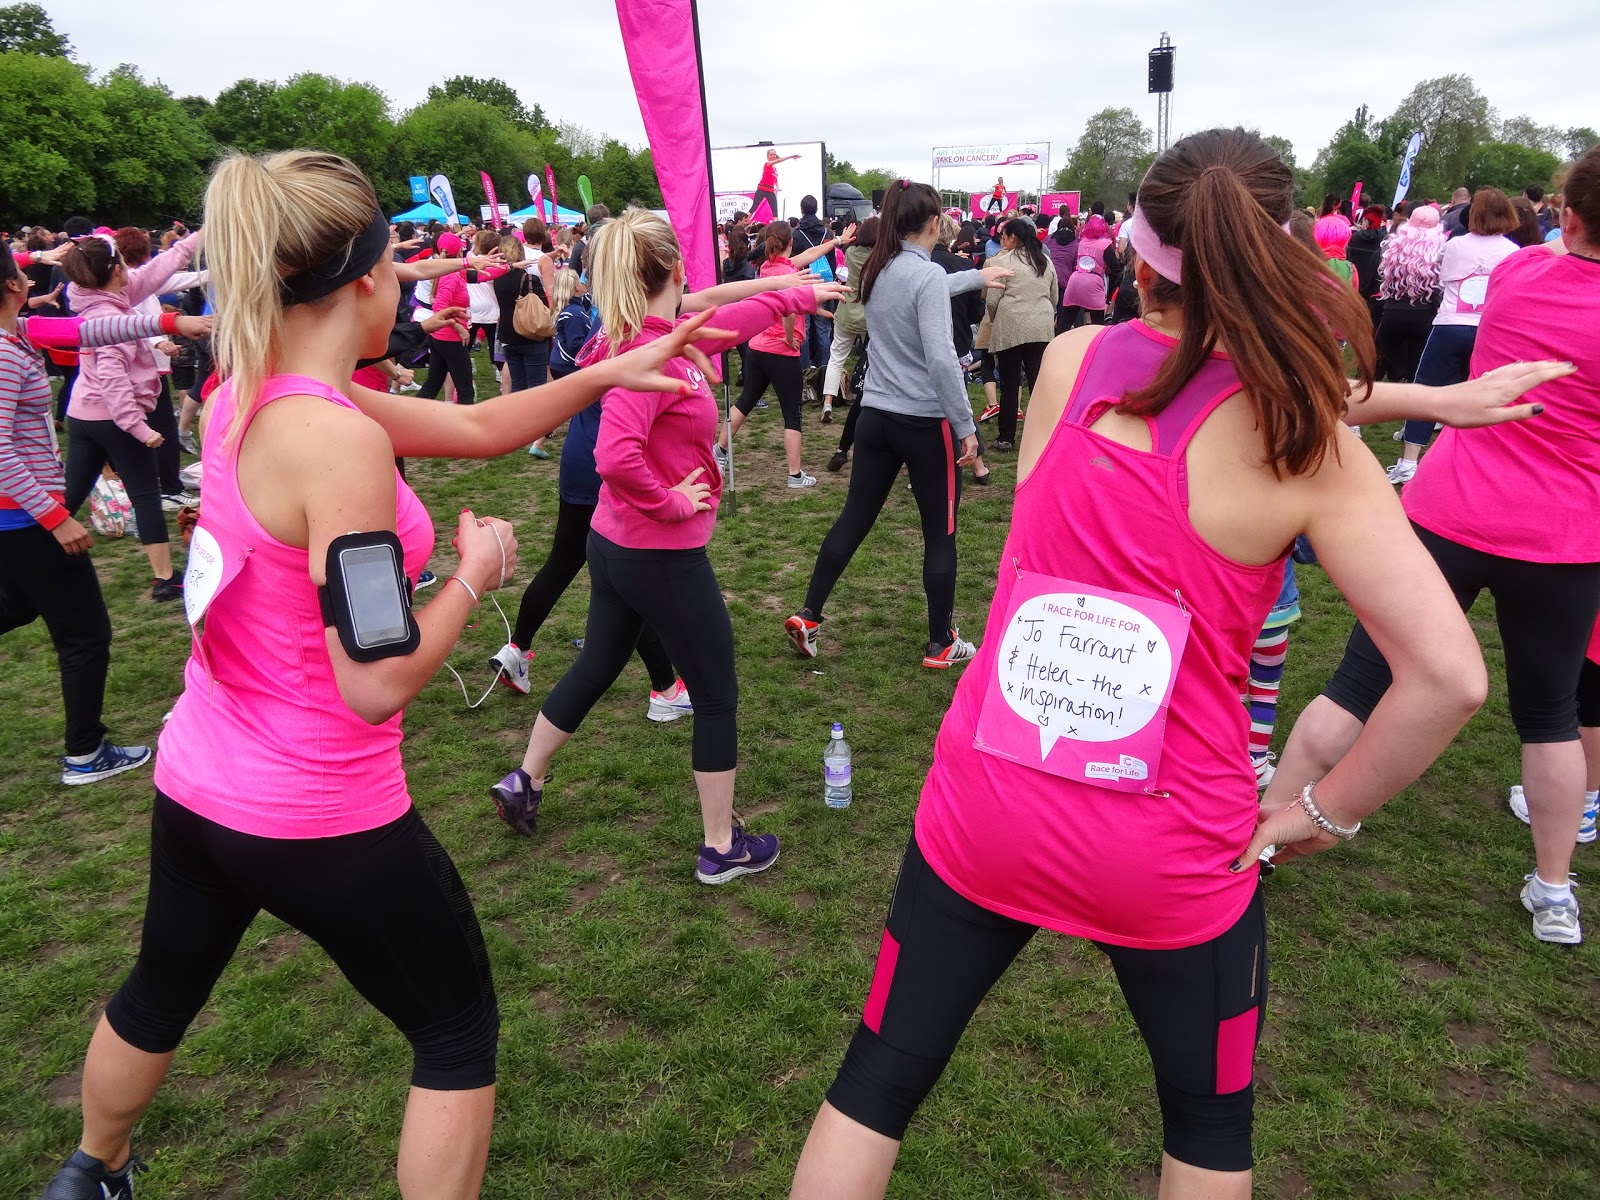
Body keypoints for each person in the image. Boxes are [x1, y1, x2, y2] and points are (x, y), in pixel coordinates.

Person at [789, 127, 1488, 1200]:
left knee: (875, 1081)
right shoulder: (1305, 440)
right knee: (1207, 1135)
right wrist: (1324, 810)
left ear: (1136, 250)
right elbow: (1448, 675)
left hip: (988, 804)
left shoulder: (1071, 363)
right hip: (1175, 850)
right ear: (1279, 251)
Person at [35, 150, 731, 1200]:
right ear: (364, 282)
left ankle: (92, 1173)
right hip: (319, 811)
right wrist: (470, 575)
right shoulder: (333, 440)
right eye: (398, 267)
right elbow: (374, 680)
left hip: (197, 787)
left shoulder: (247, 393)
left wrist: (605, 372)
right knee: (455, 1032)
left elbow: (475, 426)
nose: (405, 282)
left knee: (158, 990)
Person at [1274, 145, 1600, 946]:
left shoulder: (1523, 275)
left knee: (1360, 679)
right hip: (1564, 532)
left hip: (1451, 508)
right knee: (1551, 714)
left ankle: (1266, 830)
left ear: (1571, 211)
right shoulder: (1528, 268)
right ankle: (1554, 888)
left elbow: (1543, 253)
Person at [490, 211, 842, 877]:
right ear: (676, 271)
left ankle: (525, 781)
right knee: (715, 693)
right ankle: (720, 848)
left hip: (617, 546)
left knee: (598, 666)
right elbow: (616, 456)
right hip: (656, 552)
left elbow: (728, 315)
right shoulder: (641, 351)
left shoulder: (656, 331)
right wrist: (671, 500)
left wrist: (797, 292)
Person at [1, 246, 209, 788]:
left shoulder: (20, 330)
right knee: (85, 635)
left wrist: (171, 320)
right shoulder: (3, 350)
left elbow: (88, 333)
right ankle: (85, 755)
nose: (28, 275)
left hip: (22, 518)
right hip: (23, 520)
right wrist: (55, 518)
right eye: (19, 271)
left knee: (18, 606)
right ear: (10, 286)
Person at [784, 181, 1010, 671]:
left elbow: (927, 288)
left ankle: (809, 614)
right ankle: (940, 641)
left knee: (854, 518)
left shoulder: (880, 268)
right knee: (940, 532)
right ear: (933, 223)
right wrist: (966, 424)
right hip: (924, 423)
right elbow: (943, 361)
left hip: (875, 418)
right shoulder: (917, 274)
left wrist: (974, 276)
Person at [60, 228, 203, 601]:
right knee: (145, 493)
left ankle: (30, 548)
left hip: (82, 415)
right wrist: (138, 428)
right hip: (114, 420)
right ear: (117, 272)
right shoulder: (111, 322)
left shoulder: (96, 296)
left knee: (69, 494)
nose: (131, 268)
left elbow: (158, 268)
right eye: (124, 262)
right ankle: (164, 578)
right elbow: (113, 381)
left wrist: (200, 236)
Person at [1387, 187, 1520, 483]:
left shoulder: (1455, 245)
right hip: (1487, 331)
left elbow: (1442, 276)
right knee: (1483, 397)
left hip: (1449, 325)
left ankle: (1409, 462)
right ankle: (1472, 464)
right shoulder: (1513, 252)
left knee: (1426, 394)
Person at [715, 219, 853, 489]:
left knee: (745, 401)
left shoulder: (769, 267)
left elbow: (807, 256)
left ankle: (719, 451)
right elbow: (788, 310)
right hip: (780, 350)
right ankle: (794, 475)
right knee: (792, 412)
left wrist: (837, 242)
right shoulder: (788, 275)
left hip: (757, 348)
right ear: (791, 242)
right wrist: (791, 339)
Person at [983, 217, 1059, 452]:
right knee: (1037, 382)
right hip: (1040, 325)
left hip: (1012, 325)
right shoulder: (1044, 261)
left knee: (1009, 383)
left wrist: (996, 317)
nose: (1001, 240)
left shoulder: (1004, 263)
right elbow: (1053, 295)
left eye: (1003, 236)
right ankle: (1043, 433)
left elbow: (992, 299)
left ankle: (1006, 437)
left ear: (1012, 238)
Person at [1375, 206, 1446, 385]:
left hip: (1393, 312)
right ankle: (1411, 399)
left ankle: (1395, 389)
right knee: (1417, 364)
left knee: (1393, 362)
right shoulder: (1442, 249)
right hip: (1425, 313)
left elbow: (1382, 276)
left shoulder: (1392, 246)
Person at [822, 217, 875, 428]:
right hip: (870, 313)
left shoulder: (851, 253)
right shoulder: (881, 257)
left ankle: (827, 402)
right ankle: (868, 400)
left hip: (847, 308)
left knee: (836, 358)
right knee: (873, 360)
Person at [1058, 211, 1114, 332]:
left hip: (1076, 280)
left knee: (1065, 322)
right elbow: (1116, 267)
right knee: (1097, 325)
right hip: (1094, 282)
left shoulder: (1081, 242)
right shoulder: (1105, 245)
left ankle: (1057, 343)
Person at [1347, 204, 1389, 330]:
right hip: (1372, 282)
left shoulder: (1354, 238)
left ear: (1366, 220)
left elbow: (1349, 257)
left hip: (1356, 278)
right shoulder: (1383, 240)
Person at [751, 150, 801, 223]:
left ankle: (776, 226)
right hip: (762, 188)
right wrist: (791, 156)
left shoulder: (774, 169)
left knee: (775, 211)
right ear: (768, 156)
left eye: (774, 155)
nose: (773, 156)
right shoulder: (767, 164)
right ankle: (743, 222)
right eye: (771, 155)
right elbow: (779, 160)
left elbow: (775, 179)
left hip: (770, 190)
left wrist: (777, 187)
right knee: (754, 208)